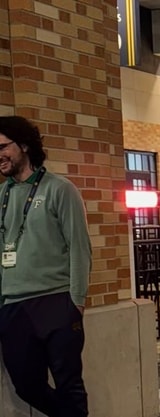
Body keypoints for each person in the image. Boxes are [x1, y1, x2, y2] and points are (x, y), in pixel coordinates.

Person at [0, 116, 91, 416]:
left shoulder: (59, 189)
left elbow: (79, 247)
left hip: (56, 300)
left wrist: (76, 301)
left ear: (24, 146)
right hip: (13, 306)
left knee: (69, 384)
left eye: (3, 147)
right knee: (26, 385)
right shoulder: (1, 195)